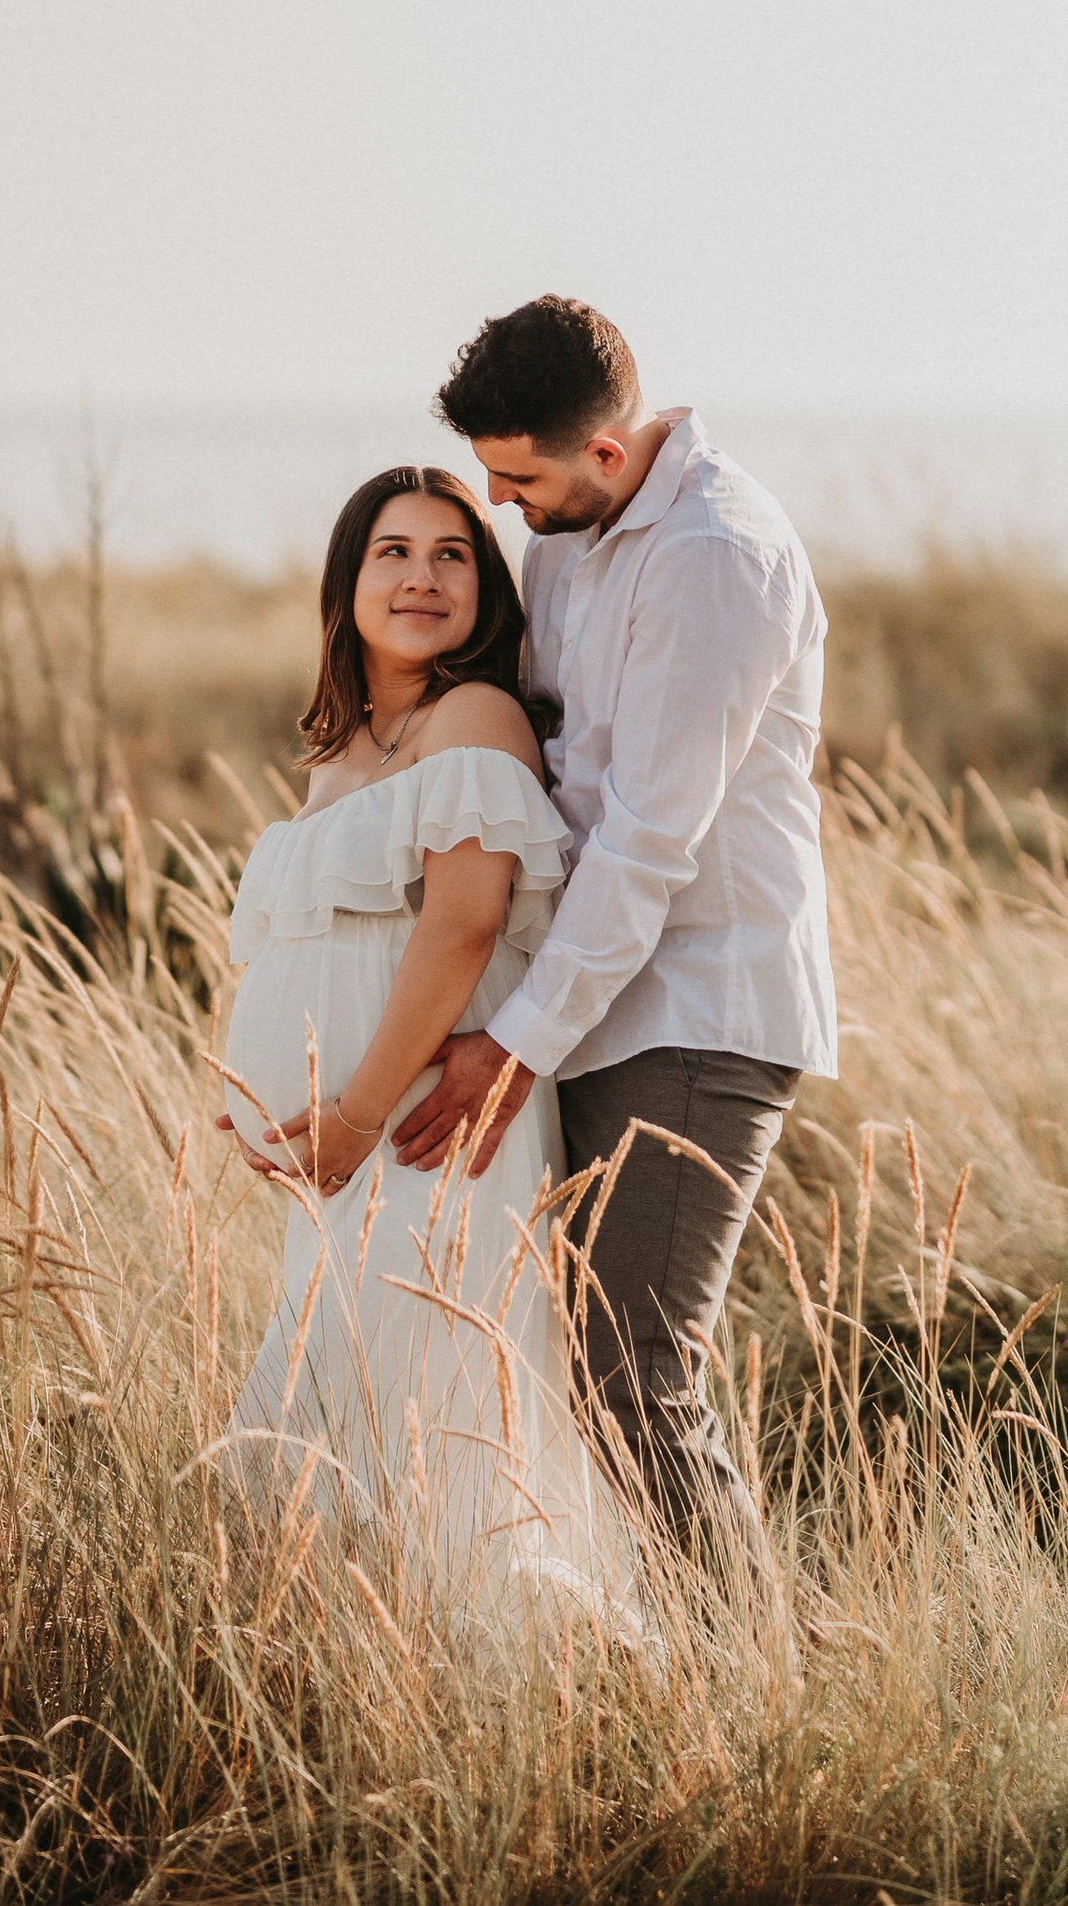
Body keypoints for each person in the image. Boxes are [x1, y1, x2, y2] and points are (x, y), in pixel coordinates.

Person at [392, 297, 836, 1560]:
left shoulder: (713, 557)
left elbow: (646, 840)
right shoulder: (566, 538)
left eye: (520, 478)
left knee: (632, 1367)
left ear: (603, 449)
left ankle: (748, 1661)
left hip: (695, 1007)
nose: (500, 501)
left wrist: (513, 1045)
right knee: (567, 1358)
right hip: (581, 1002)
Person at [217, 462, 634, 1619]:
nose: (422, 577)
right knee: (346, 1412)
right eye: (392, 552)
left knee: (434, 1412)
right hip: (343, 1153)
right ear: (346, 581)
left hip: (421, 1136)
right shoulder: (340, 747)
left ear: (485, 589)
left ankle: (534, 1665)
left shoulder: (474, 717)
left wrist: (353, 1114)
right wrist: (264, 1098)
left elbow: (462, 928)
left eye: (453, 554)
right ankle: (382, 1664)